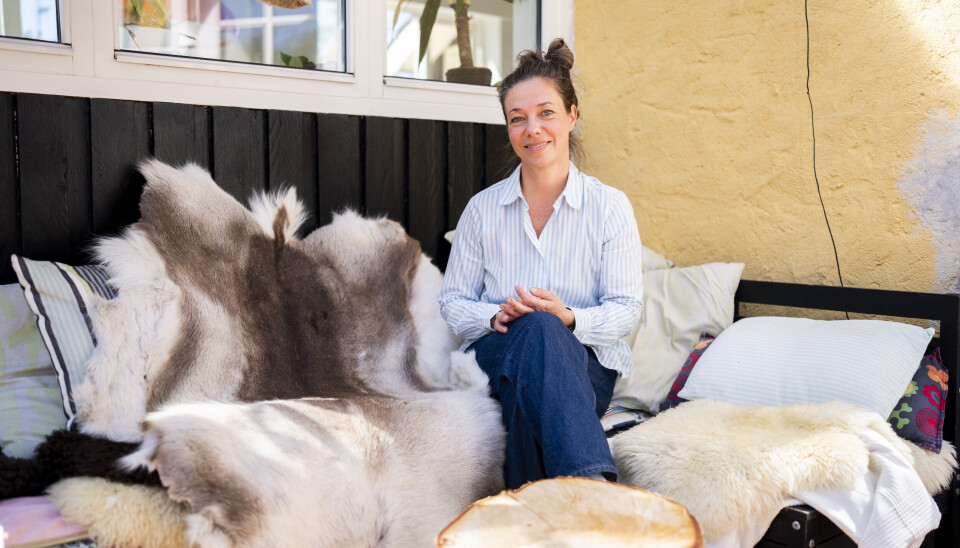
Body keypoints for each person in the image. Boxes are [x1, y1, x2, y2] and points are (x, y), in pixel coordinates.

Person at [438, 38, 644, 489]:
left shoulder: (609, 208)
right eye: (518, 118)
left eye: (546, 112)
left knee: (543, 338)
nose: (532, 129)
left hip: (584, 368)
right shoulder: (482, 210)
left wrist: (568, 318)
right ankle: (591, 491)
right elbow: (453, 302)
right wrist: (495, 316)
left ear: (572, 115)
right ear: (509, 128)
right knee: (534, 331)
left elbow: (626, 309)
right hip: (497, 352)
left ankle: (529, 515)